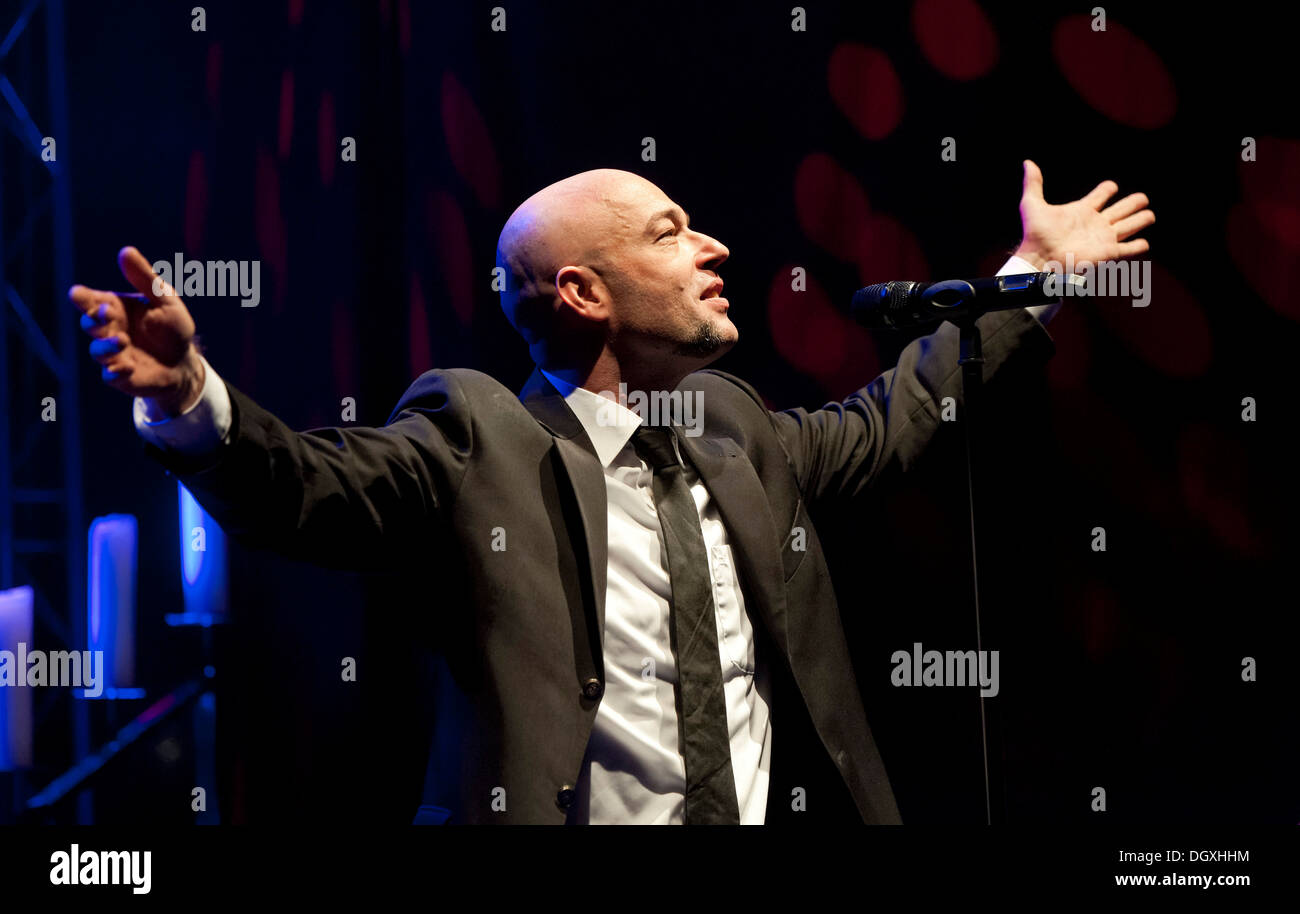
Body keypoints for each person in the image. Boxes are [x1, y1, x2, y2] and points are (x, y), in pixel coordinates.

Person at [67, 164, 1153, 824]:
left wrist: (1031, 282)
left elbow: (895, 414)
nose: (715, 244)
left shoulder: (733, 431)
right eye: (670, 231)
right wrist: (193, 399)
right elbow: (304, 484)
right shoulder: (475, 432)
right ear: (583, 291)